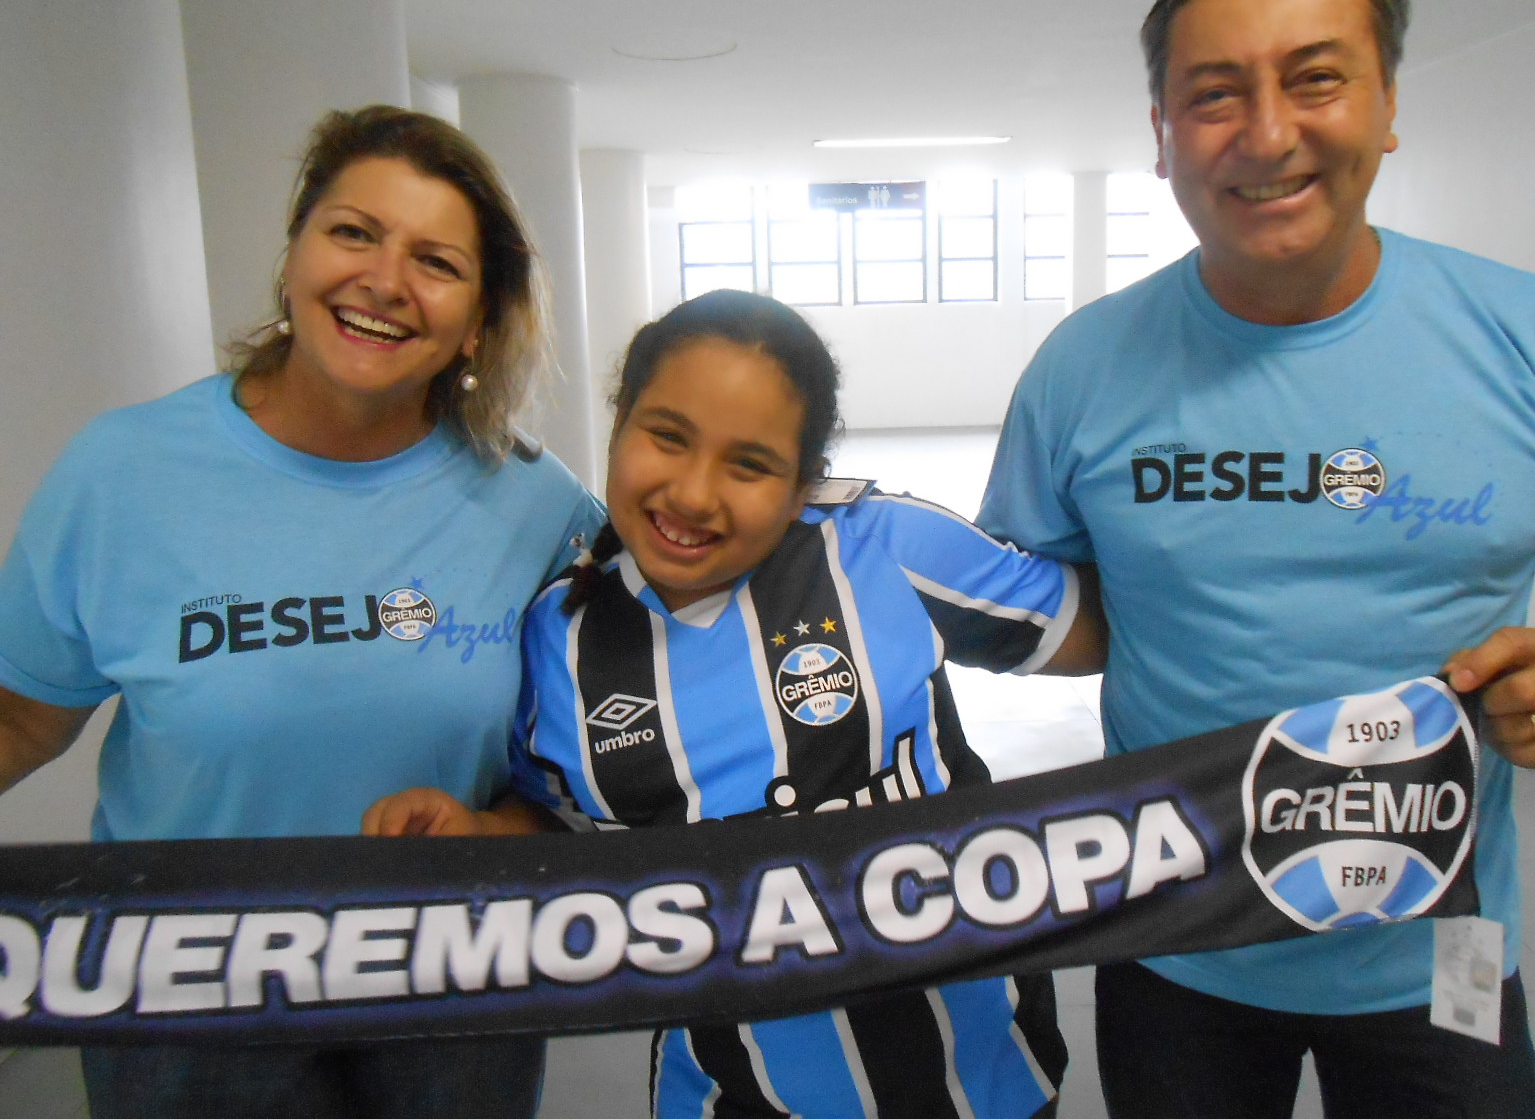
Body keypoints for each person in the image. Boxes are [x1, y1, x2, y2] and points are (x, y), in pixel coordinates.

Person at [977, 0, 1535, 1116]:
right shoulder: (1082, 372)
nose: (1268, 135)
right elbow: (1039, 612)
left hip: (1445, 949)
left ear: (1385, 101)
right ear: (1161, 137)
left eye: (1315, 77)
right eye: (1215, 95)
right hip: (1178, 944)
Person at [365, 288, 1108, 1119]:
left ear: (801, 483)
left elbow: (1103, 631)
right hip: (736, 1091)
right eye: (667, 438)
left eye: (749, 464)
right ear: (617, 427)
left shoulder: (885, 546)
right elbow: (559, 821)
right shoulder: (555, 644)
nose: (693, 494)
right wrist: (474, 834)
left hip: (983, 1076)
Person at [0, 105, 603, 1118]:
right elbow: (19, 718)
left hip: (450, 988)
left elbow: (606, 744)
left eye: (436, 262)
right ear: (293, 254)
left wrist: (499, 828)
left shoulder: (537, 505)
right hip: (184, 1002)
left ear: (478, 318)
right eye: (352, 232)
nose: (383, 280)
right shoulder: (123, 472)